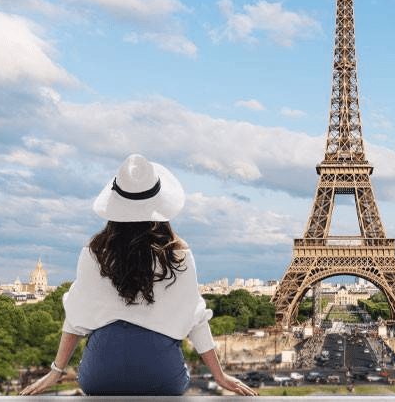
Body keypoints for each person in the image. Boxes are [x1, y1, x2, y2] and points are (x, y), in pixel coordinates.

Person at [20, 154, 257, 396]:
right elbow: (196, 319)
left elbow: (76, 319)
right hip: (161, 373)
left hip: (100, 373)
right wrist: (219, 375)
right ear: (160, 203)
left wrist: (56, 370)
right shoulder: (178, 254)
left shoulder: (93, 253)